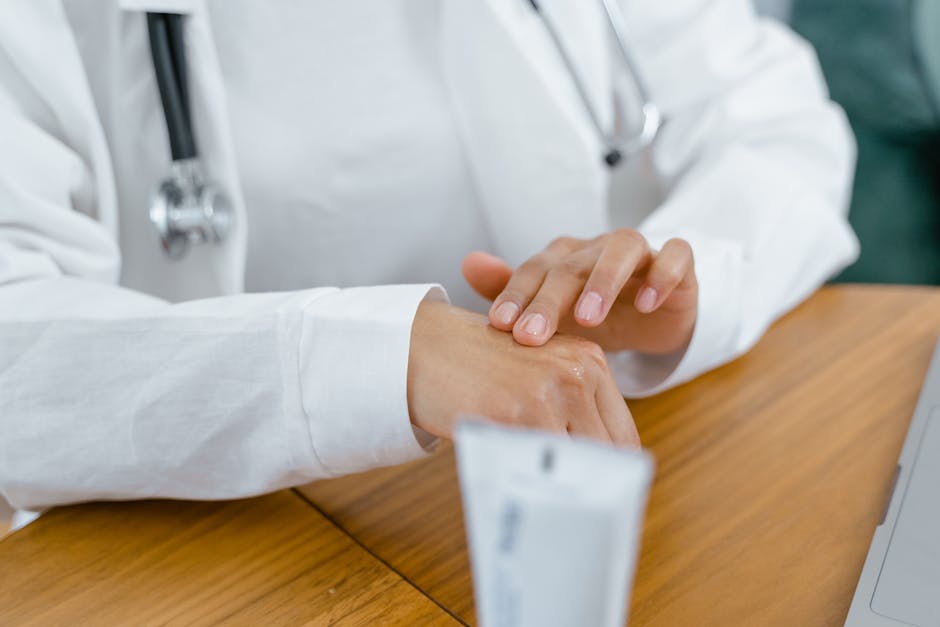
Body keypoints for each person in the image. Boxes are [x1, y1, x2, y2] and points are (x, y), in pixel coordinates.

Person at [0, 1, 858, 518]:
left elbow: (782, 129)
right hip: (231, 544)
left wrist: (683, 272)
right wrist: (389, 357)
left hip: (549, 500)